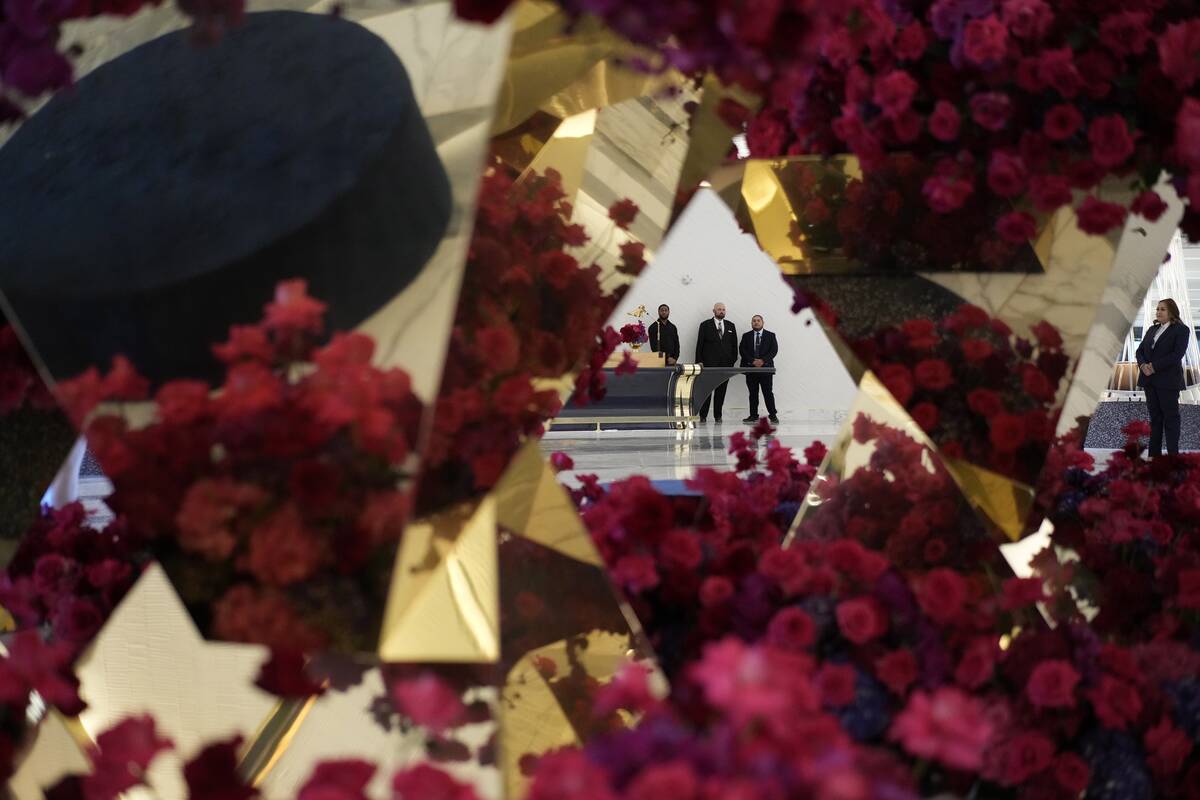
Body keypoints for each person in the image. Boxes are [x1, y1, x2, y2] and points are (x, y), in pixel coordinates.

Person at [1136, 298, 1189, 456]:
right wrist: (1143, 365)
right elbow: (1140, 351)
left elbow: (1176, 355)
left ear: (1171, 312)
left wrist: (1154, 367)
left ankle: (1173, 458)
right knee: (1155, 419)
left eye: (1163, 309)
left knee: (1171, 419)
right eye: (1157, 309)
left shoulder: (1181, 330)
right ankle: (1154, 456)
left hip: (1168, 382)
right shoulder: (1152, 329)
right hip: (1149, 381)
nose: (1158, 312)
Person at [695, 302, 738, 422]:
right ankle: (703, 416)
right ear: (713, 311)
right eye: (719, 309)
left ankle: (718, 416)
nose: (721, 311)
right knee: (706, 390)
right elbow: (700, 344)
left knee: (721, 391)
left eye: (723, 309)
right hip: (708, 365)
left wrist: (732, 361)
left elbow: (734, 346)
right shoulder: (705, 325)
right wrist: (699, 361)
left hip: (725, 365)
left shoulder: (731, 326)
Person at [740, 315, 779, 424]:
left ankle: (773, 415)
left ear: (763, 322)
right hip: (751, 369)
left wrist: (762, 361)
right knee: (753, 393)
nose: (756, 322)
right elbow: (742, 350)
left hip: (766, 369)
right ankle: (753, 415)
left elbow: (774, 350)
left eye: (758, 321)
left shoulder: (771, 335)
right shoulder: (746, 336)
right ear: (751, 323)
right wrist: (753, 361)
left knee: (768, 393)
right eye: (754, 321)